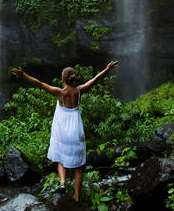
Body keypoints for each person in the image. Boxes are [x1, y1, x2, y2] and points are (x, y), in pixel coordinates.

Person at [11, 61, 119, 201]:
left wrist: (23, 75)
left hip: (61, 129)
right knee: (79, 166)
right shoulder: (79, 91)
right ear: (74, 78)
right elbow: (95, 79)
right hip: (76, 129)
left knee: (60, 156)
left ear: (63, 79)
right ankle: (76, 196)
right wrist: (107, 68)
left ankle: (62, 183)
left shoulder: (60, 93)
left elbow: (39, 83)